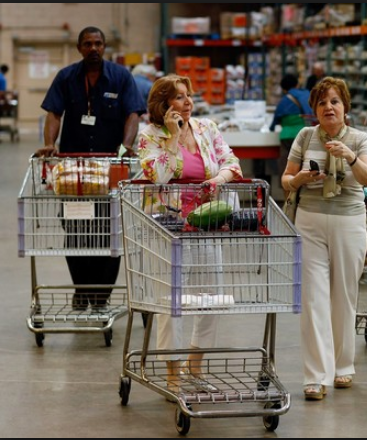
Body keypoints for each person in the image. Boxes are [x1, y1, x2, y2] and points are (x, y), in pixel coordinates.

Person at [137, 74, 243, 394]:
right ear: (164, 104)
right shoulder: (149, 136)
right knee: (172, 303)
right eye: (180, 97)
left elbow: (232, 163)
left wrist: (218, 181)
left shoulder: (206, 128)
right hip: (167, 228)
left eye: (188, 96)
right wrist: (172, 138)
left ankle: (194, 364)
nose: (188, 103)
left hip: (206, 225)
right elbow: (157, 174)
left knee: (212, 296)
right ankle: (172, 372)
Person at [37, 26, 145, 312]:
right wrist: (49, 143)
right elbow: (53, 113)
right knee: (75, 230)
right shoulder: (66, 78)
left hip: (112, 167)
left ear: (105, 46)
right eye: (87, 44)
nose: (93, 48)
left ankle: (102, 295)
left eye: (98, 43)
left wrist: (125, 148)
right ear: (79, 48)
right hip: (75, 169)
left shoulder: (121, 77)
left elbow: (132, 114)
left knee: (110, 230)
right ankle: (82, 289)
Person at [281, 77, 367, 400]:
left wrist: (349, 157)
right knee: (313, 299)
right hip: (310, 220)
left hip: (349, 221)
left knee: (344, 296)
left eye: (334, 101)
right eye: (322, 103)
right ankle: (315, 376)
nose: (328, 107)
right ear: (315, 110)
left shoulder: (361, 139)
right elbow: (286, 180)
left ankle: (343, 367)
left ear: (345, 107)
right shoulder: (305, 137)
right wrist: (301, 178)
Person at [269, 73, 312, 194]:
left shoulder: (283, 101)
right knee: (306, 168)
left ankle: (288, 202)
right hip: (305, 135)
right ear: (297, 84)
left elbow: (273, 124)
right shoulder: (307, 95)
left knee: (286, 170)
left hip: (287, 137)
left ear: (283, 89)